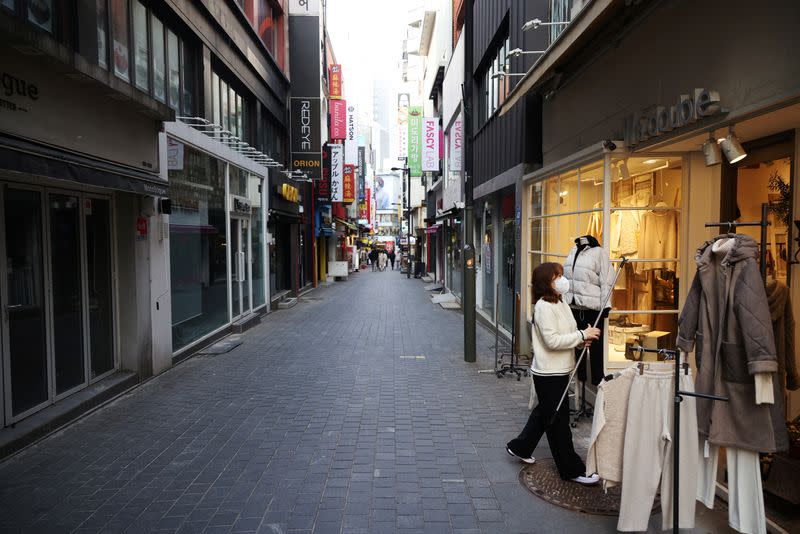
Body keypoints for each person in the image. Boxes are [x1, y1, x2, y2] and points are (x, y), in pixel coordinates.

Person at [506, 262, 601, 485]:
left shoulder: (560, 302)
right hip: (549, 374)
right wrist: (580, 335)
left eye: (561, 275)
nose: (561, 279)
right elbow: (552, 341)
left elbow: (566, 335)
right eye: (556, 276)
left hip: (561, 370)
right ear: (545, 283)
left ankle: (519, 447)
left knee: (545, 414)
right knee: (558, 423)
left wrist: (580, 340)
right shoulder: (542, 307)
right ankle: (572, 470)